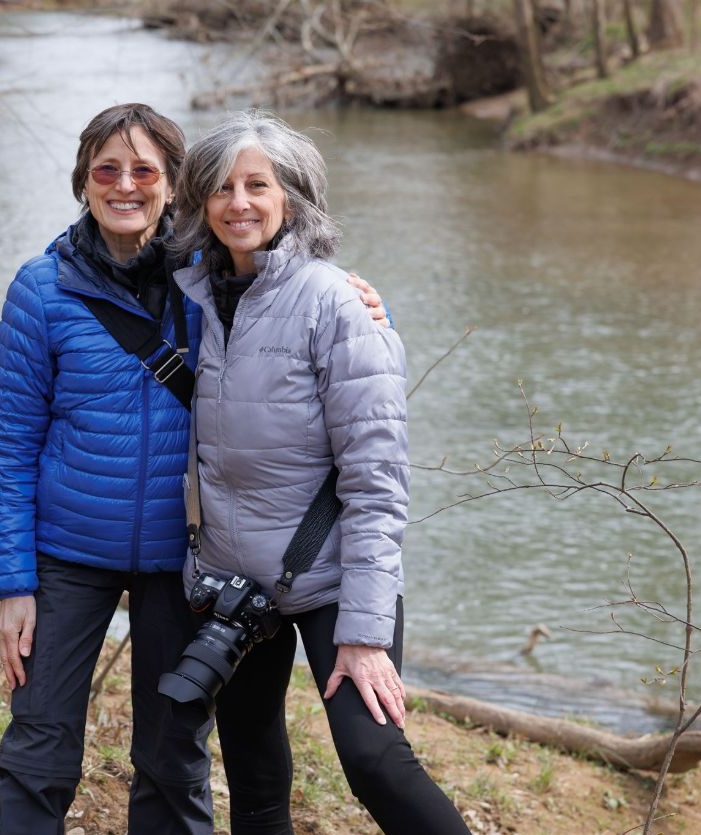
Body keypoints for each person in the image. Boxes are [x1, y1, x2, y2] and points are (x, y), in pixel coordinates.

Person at [0, 102, 389, 834]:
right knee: (38, 747)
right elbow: (6, 445)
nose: (124, 185)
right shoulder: (41, 290)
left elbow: (305, 315)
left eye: (144, 171)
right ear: (83, 181)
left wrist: (364, 305)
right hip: (67, 553)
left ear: (174, 186)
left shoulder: (214, 281)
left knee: (173, 758)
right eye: (106, 170)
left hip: (187, 558)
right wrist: (13, 583)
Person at [167, 111, 471, 834]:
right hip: (236, 584)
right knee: (253, 775)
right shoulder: (196, 297)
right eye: (222, 187)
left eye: (257, 185)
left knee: (374, 759)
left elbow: (376, 482)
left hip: (333, 577)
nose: (239, 202)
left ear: (291, 197)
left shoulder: (335, 303)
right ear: (202, 201)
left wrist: (364, 632)